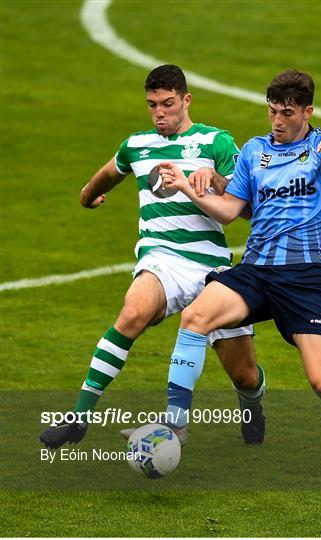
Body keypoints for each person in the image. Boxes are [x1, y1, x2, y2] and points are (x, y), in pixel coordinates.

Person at [158, 68, 321, 477]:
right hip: (256, 270)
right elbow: (230, 210)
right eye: (272, 110)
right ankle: (175, 423)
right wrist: (188, 187)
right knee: (194, 318)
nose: (277, 120)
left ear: (307, 111)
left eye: (287, 112)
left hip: (304, 277)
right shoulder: (255, 152)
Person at [39, 64, 265, 450]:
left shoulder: (217, 143)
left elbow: (247, 208)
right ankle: (79, 419)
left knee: (244, 374)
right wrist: (87, 196)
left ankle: (253, 409)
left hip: (213, 268)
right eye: (152, 105)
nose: (160, 113)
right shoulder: (137, 145)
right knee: (131, 313)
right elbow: (109, 173)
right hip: (162, 259)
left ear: (186, 100)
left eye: (168, 104)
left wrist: (214, 180)